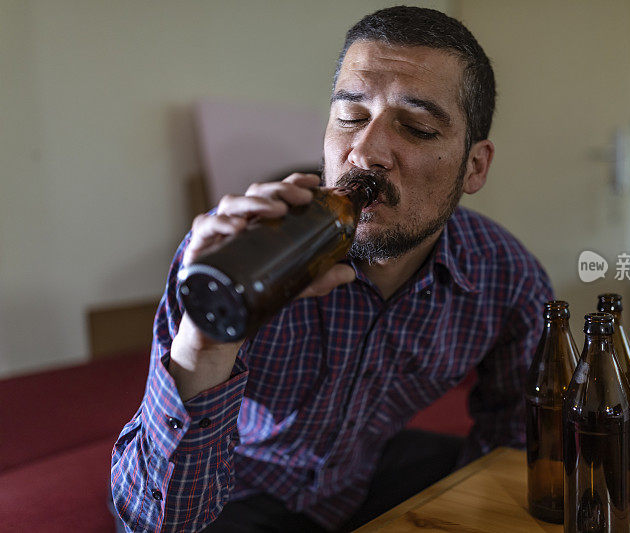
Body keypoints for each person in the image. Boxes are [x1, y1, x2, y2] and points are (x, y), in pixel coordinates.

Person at [111, 6, 552, 532]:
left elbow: (513, 437)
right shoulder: (232, 258)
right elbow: (148, 520)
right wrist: (206, 341)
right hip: (234, 490)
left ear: (474, 166)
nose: (365, 152)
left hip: (358, 480)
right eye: (350, 117)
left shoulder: (505, 277)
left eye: (415, 127)